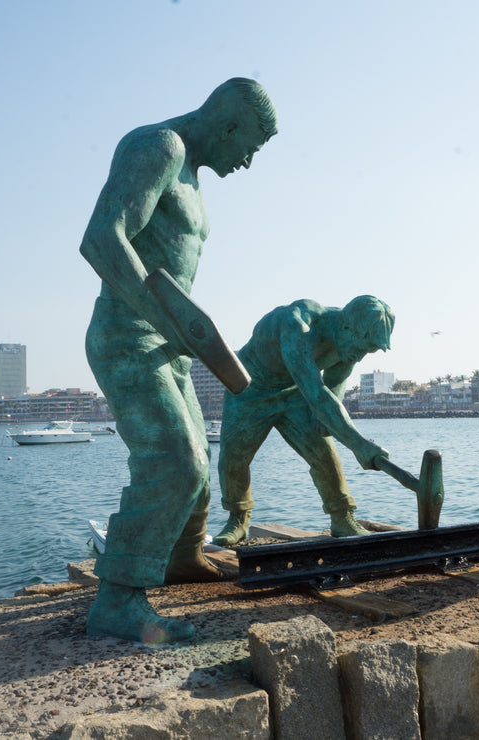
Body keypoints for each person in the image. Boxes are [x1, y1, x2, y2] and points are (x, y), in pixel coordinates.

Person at [80, 78, 277, 643]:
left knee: (198, 467)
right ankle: (117, 600)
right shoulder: (160, 146)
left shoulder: (192, 172)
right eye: (250, 148)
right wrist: (169, 320)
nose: (247, 162)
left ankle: (182, 558)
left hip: (171, 346)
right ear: (229, 125)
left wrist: (181, 332)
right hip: (129, 337)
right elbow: (102, 238)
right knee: (175, 463)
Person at [213, 296, 394, 545]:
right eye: (362, 348)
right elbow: (317, 394)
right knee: (234, 458)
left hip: (295, 391)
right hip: (251, 388)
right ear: (346, 327)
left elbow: (335, 382)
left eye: (368, 351)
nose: (360, 356)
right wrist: (359, 444)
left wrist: (327, 421)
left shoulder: (347, 343)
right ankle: (238, 518)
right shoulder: (298, 324)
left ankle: (342, 517)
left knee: (324, 453)